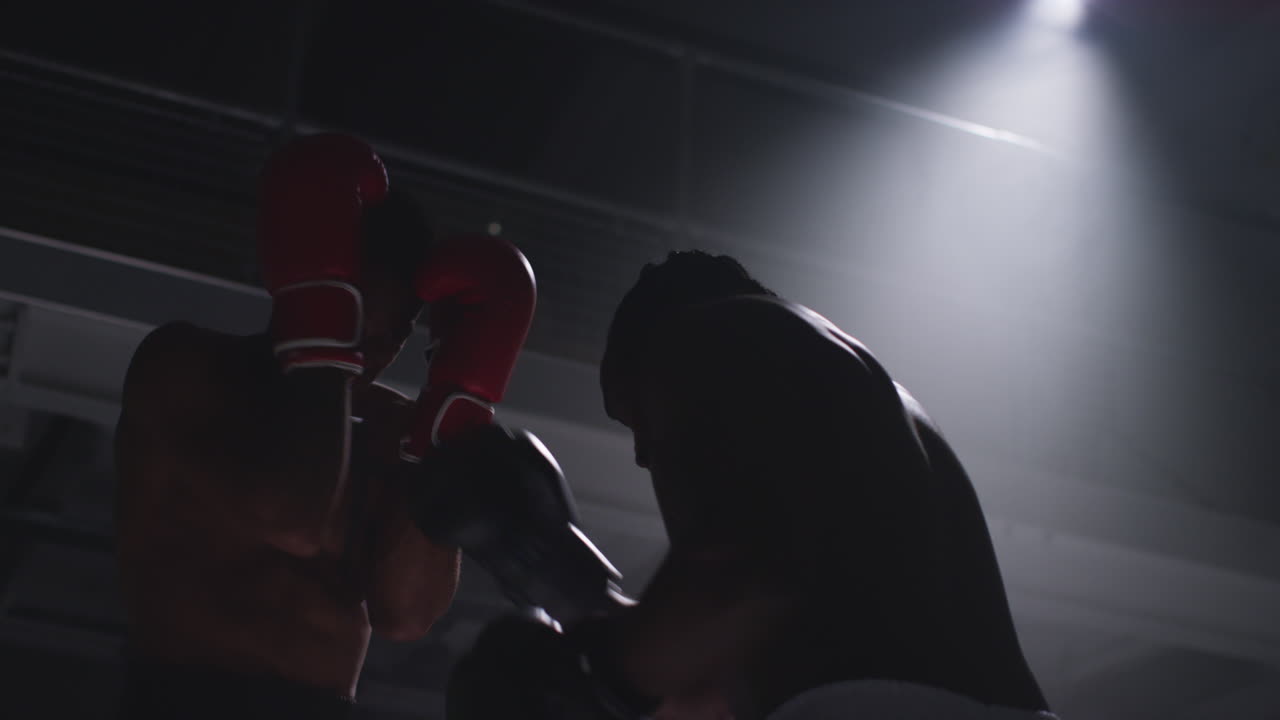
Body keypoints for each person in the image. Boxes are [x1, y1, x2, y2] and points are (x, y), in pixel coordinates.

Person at [441, 251, 1057, 720]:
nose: (642, 455)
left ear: (643, 362)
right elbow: (743, 636)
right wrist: (567, 584)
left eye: (633, 420)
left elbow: (745, 576)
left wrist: (581, 678)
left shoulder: (706, 335)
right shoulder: (860, 416)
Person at [113, 133, 535, 719]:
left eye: (397, 332)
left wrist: (452, 422)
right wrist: (324, 344)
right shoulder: (187, 369)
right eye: (361, 316)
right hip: (184, 699)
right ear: (315, 281)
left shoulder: (396, 425)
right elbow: (291, 517)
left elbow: (407, 614)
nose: (377, 349)